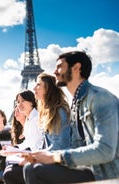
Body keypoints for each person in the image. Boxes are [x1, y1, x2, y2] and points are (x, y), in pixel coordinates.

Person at [23, 51, 119, 183]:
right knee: (31, 167)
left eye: (59, 67)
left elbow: (105, 151)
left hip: (107, 173)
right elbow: (74, 146)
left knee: (35, 170)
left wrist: (55, 157)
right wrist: (43, 156)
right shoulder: (76, 104)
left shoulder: (100, 98)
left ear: (76, 68)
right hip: (88, 168)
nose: (55, 72)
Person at [3, 90, 44, 184]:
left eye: (23, 101)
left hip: (38, 156)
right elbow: (28, 142)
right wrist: (13, 148)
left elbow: (43, 142)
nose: (19, 104)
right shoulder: (29, 120)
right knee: (8, 163)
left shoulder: (37, 118)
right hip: (32, 154)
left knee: (9, 172)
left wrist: (22, 152)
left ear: (32, 102)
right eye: (18, 101)